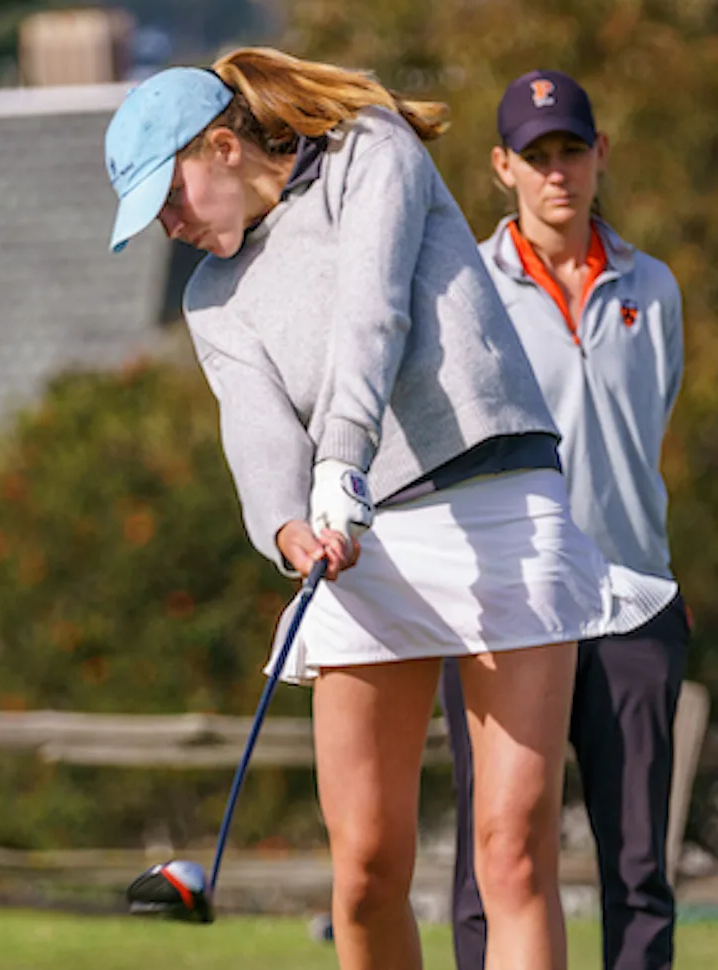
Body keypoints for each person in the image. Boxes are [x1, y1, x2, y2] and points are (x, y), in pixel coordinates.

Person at [103, 49, 675, 970]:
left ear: (218, 147)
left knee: (509, 850)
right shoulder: (212, 298)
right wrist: (290, 529)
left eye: (168, 198)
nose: (168, 226)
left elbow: (376, 315)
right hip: (360, 544)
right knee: (365, 868)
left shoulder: (369, 148)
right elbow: (254, 434)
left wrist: (341, 461)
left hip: (498, 502)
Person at [441, 69, 690, 970]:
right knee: (497, 856)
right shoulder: (464, 286)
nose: (558, 173)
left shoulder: (653, 288)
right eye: (537, 156)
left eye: (572, 151)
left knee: (637, 866)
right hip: (507, 608)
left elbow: (646, 422)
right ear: (502, 165)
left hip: (632, 601)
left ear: (600, 156)